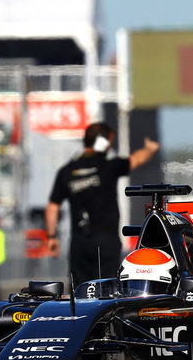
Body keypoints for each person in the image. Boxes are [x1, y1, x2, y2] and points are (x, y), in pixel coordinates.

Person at [45, 122, 160, 287]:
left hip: (79, 240)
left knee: (79, 291)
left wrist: (51, 237)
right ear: (103, 143)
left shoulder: (67, 171)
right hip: (106, 240)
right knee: (107, 289)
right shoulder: (109, 167)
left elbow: (52, 206)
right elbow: (136, 159)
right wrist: (150, 149)